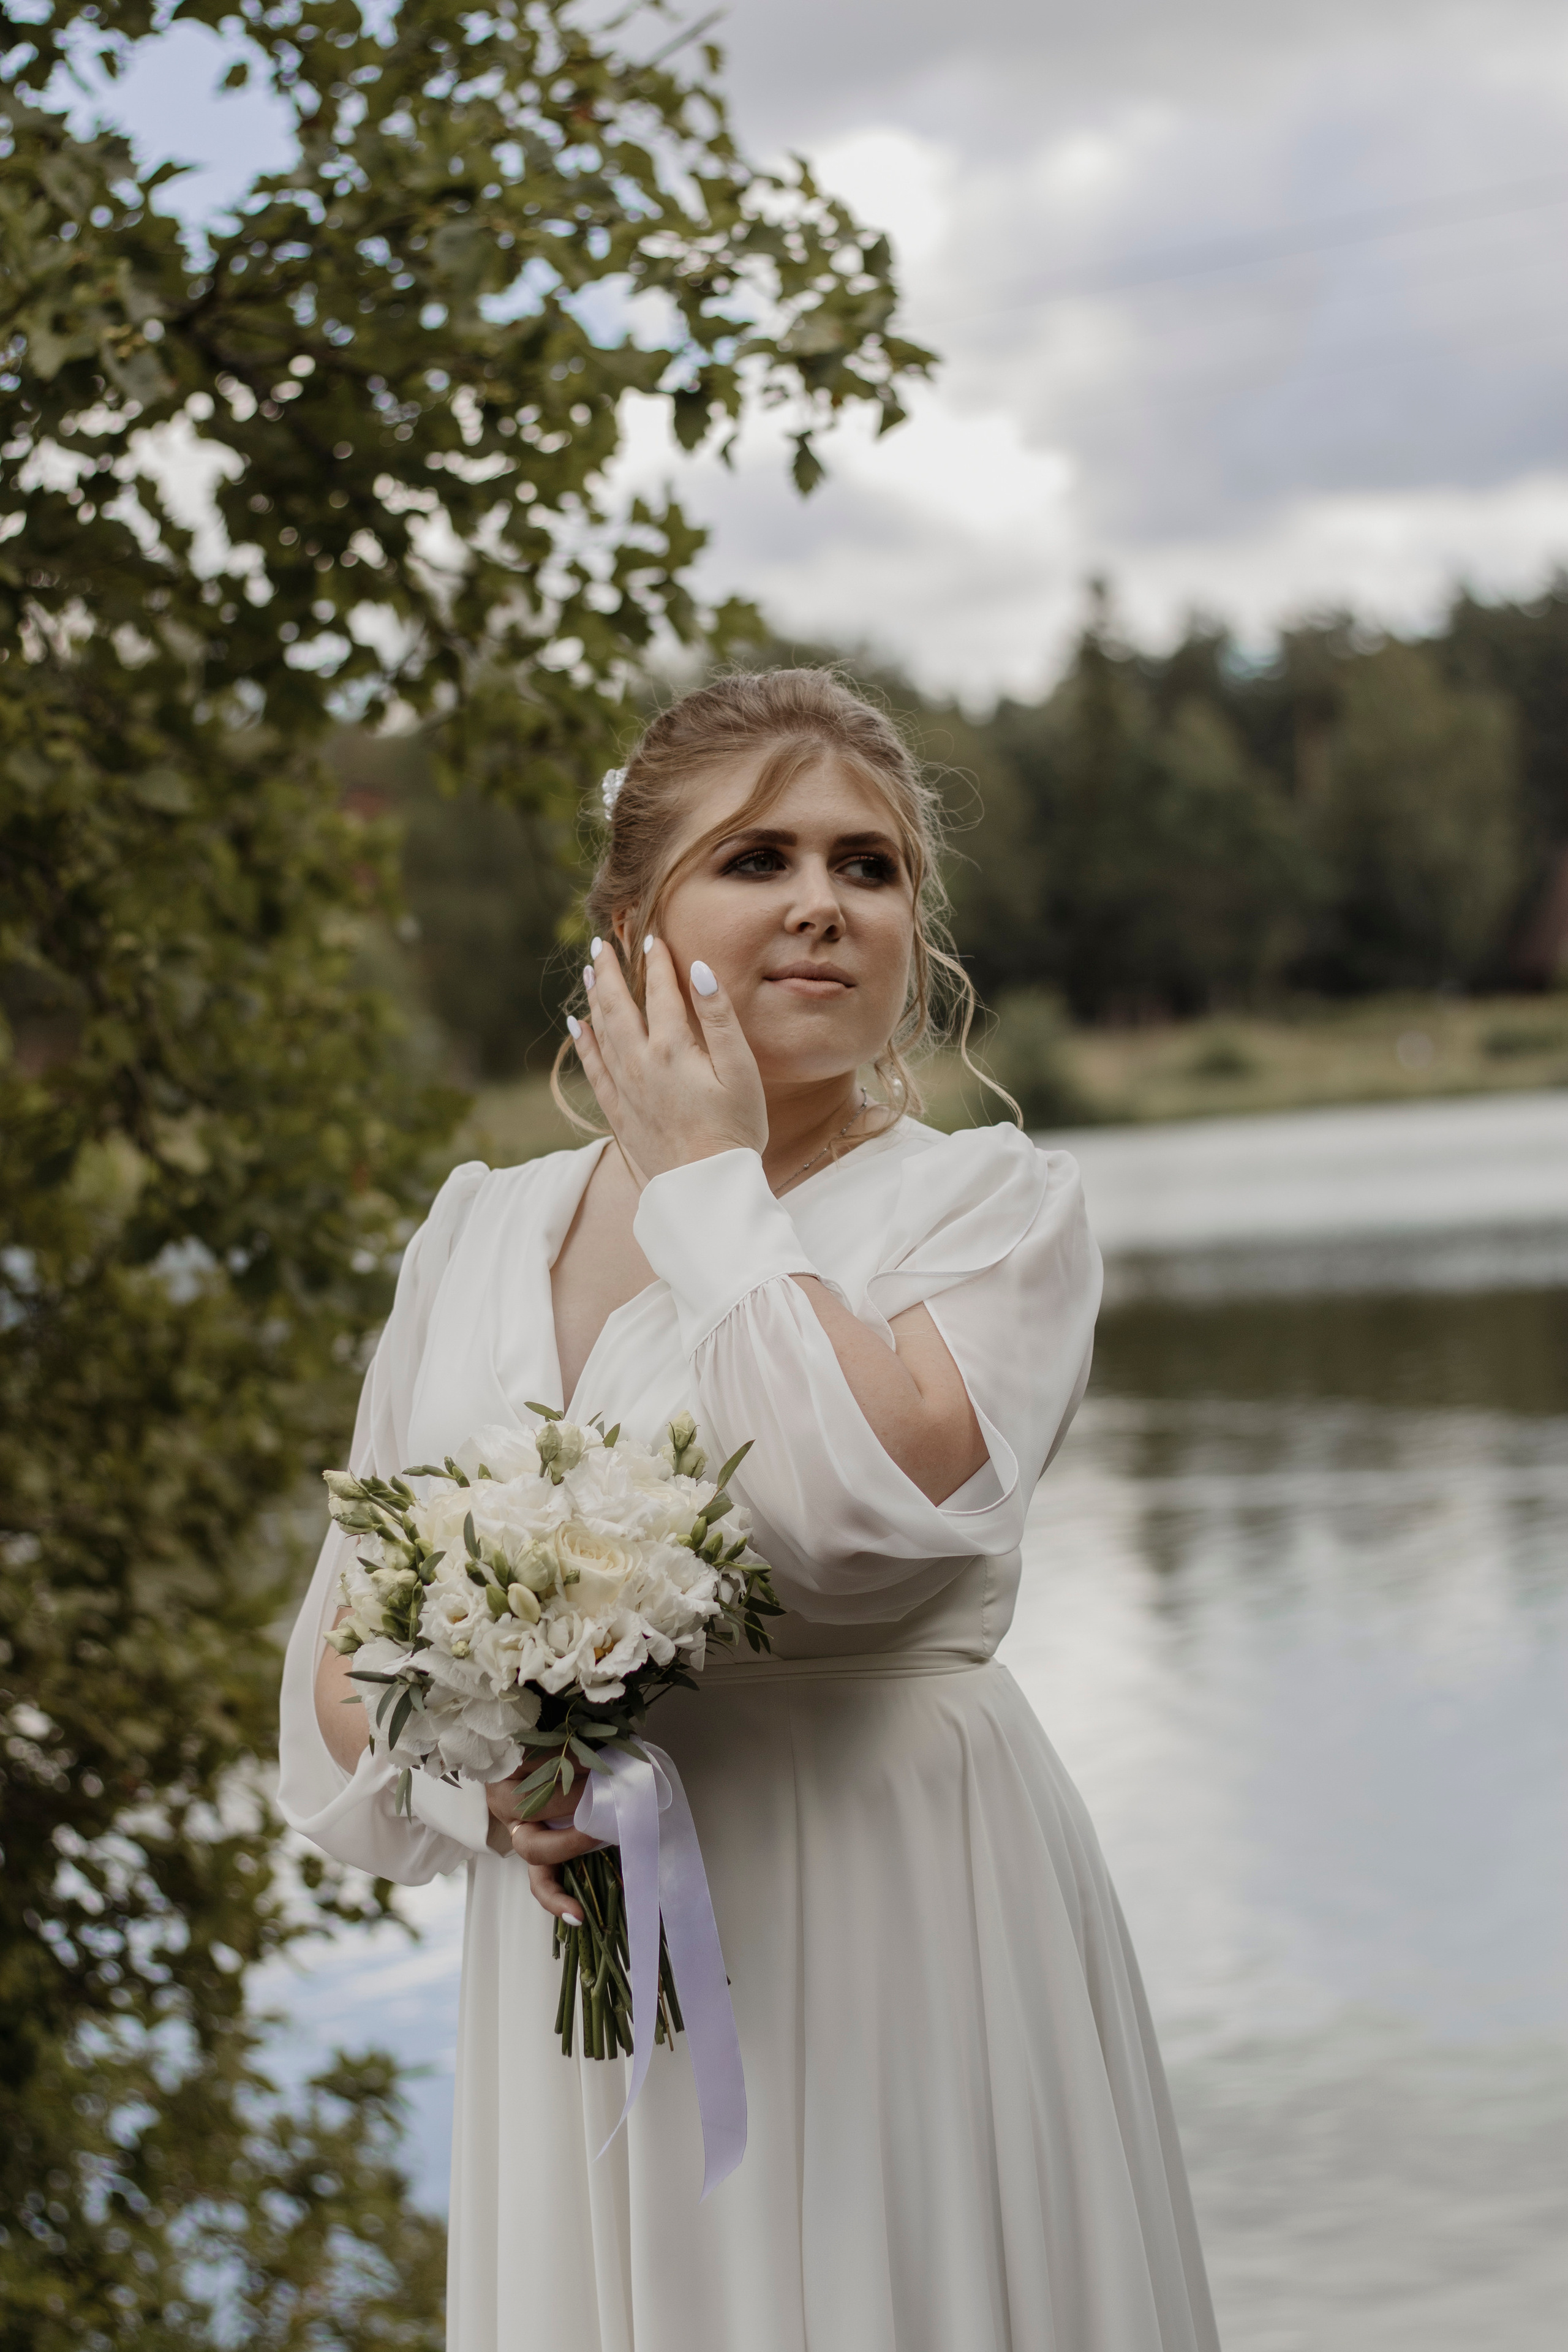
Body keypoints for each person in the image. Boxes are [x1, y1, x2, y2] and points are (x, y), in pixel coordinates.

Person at [279, 669, 1219, 2352]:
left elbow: (862, 1508)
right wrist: (497, 1786)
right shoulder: (479, 1231)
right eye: (758, 858)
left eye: (870, 867)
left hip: (897, 1902)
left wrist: (712, 1186)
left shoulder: (991, 1210)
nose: (822, 904)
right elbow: (355, 1654)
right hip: (579, 1943)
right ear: (632, 923)